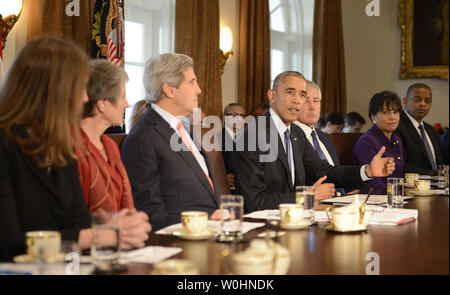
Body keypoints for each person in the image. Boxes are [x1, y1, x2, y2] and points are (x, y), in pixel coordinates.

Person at [0, 37, 142, 262]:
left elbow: (77, 221)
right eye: (79, 88)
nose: (86, 97)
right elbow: (10, 243)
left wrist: (109, 224)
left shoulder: (60, 144)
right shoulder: (5, 145)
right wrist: (99, 236)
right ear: (51, 90)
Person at [232, 71, 396, 213]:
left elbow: (324, 171)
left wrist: (367, 171)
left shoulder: (295, 133)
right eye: (290, 92)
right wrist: (306, 197)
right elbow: (254, 202)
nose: (297, 100)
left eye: (302, 94)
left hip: (297, 221)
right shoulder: (252, 137)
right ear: (272, 95)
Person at [121, 53, 221, 231]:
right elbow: (149, 213)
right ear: (170, 90)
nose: (198, 89)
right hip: (178, 245)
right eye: (192, 82)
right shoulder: (142, 138)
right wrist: (203, 221)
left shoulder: (182, 128)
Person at [75, 59, 152, 246]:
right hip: (89, 251)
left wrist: (134, 225)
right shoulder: (73, 147)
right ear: (102, 104)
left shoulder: (109, 144)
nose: (126, 104)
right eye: (122, 97)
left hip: (123, 244)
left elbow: (128, 206)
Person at [293, 81, 360, 197]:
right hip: (311, 203)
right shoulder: (290, 136)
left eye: (316, 101)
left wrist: (350, 188)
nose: (312, 107)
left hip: (341, 202)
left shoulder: (324, 138)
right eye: (306, 101)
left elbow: (334, 172)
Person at [353, 91, 404, 195]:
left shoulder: (397, 139)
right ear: (373, 117)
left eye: (395, 112)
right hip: (375, 198)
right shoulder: (367, 141)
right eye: (385, 112)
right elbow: (373, 182)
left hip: (395, 197)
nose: (392, 117)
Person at [394, 83, 444, 174]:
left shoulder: (430, 130)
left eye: (427, 101)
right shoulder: (396, 126)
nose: (423, 104)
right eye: (417, 100)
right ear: (405, 101)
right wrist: (433, 174)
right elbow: (399, 165)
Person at [217, 103, 246, 188]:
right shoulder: (215, 139)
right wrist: (221, 178)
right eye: (234, 115)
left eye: (242, 116)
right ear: (224, 118)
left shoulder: (251, 140)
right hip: (226, 190)